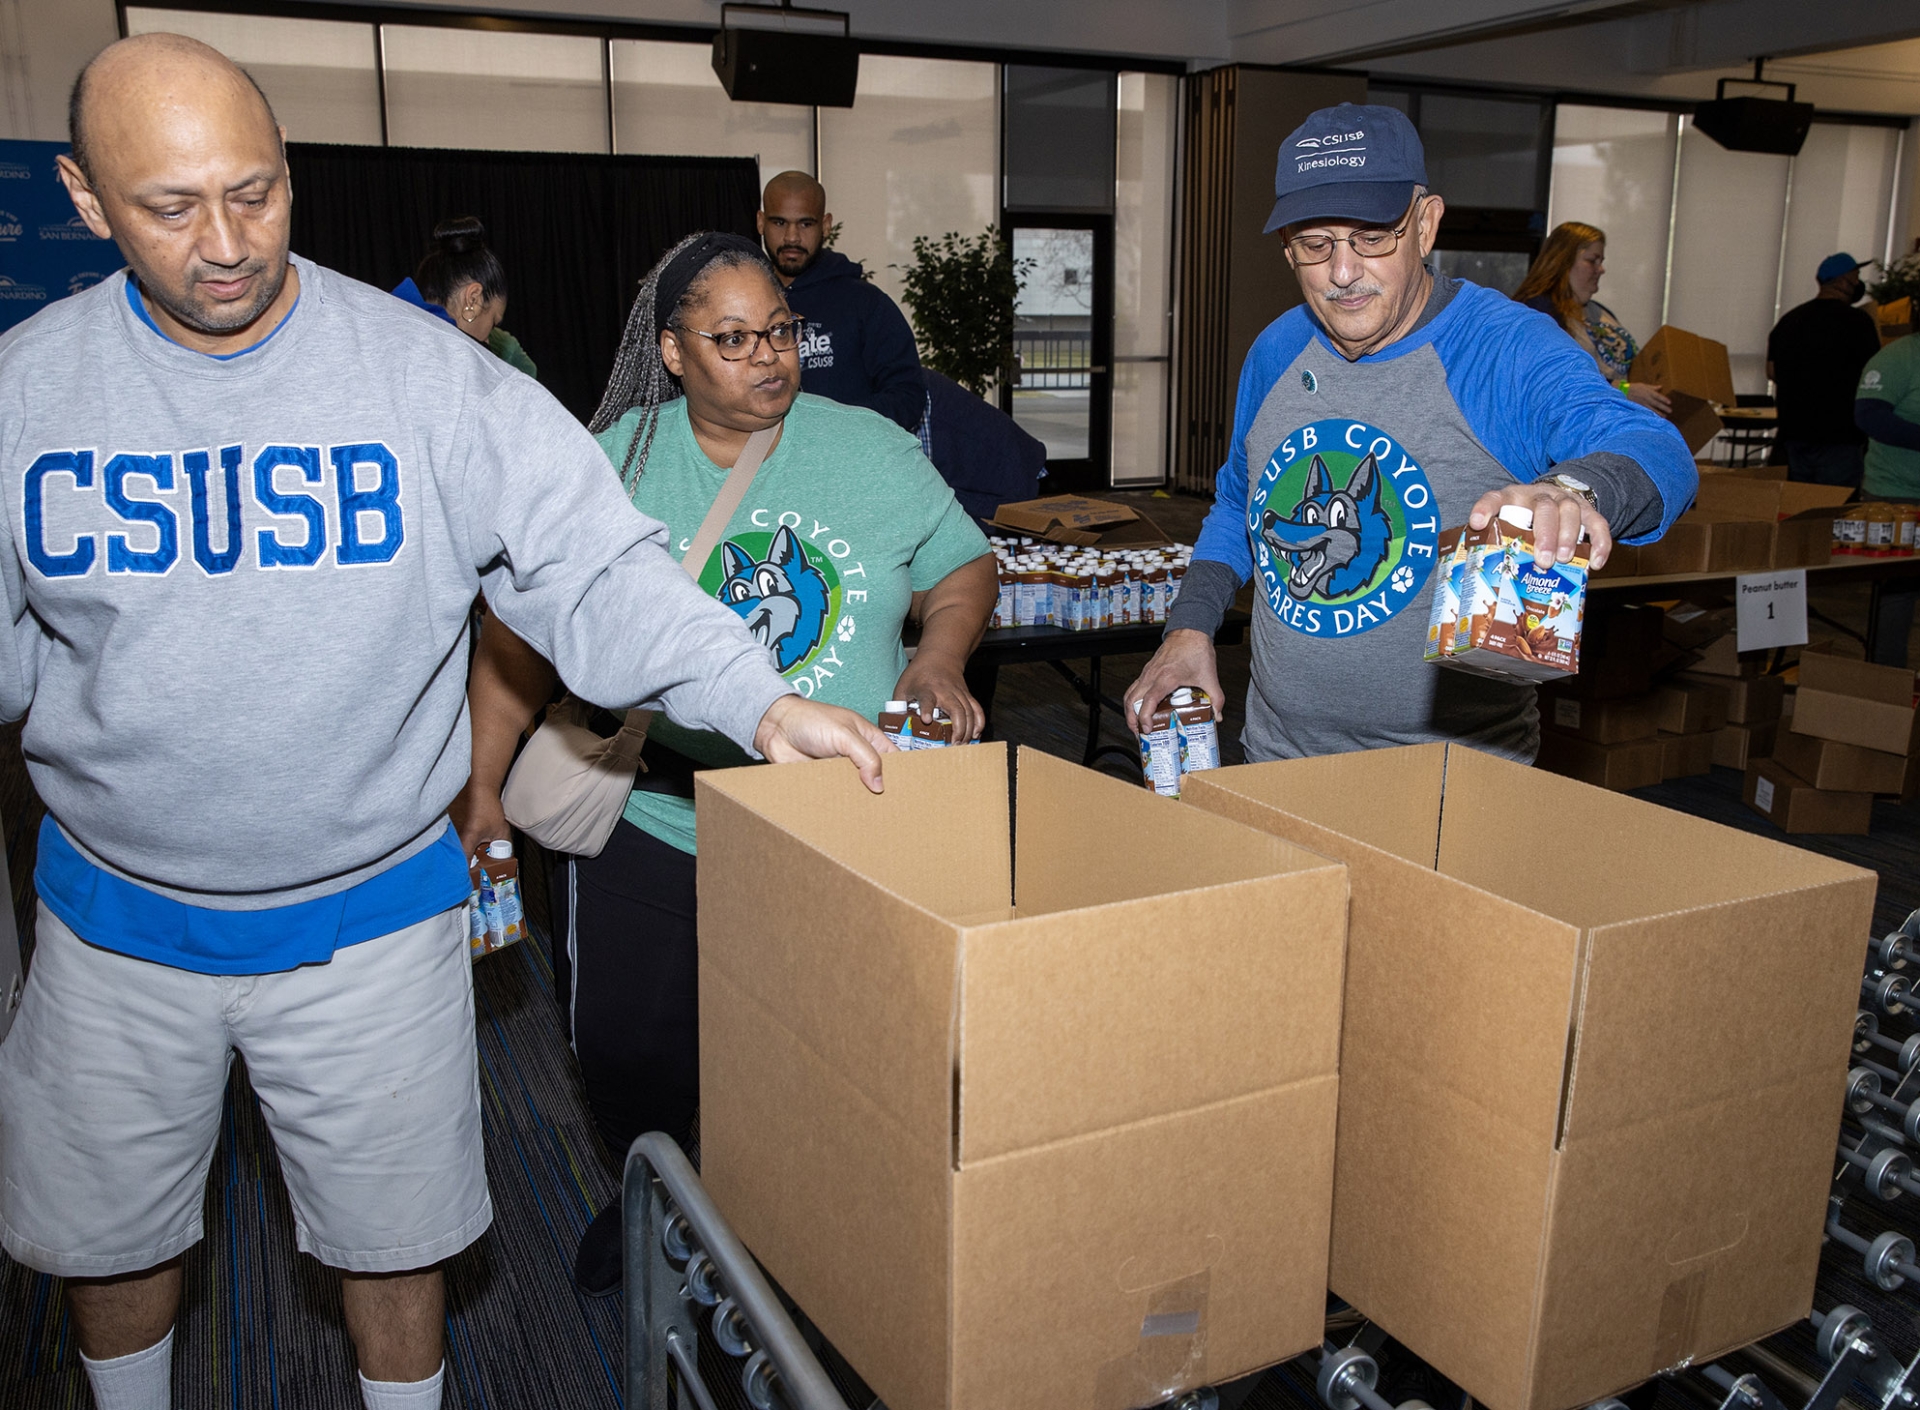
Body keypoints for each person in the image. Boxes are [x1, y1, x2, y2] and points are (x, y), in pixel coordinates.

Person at [0, 35, 888, 1410]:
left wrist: (755, 699)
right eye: (172, 207)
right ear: (83, 197)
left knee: (396, 1236)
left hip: (371, 914)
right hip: (116, 918)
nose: (228, 242)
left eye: (261, 191)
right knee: (108, 1232)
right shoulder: (24, 392)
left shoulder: (426, 376)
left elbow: (595, 567)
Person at [456, 231, 996, 1296]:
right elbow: (511, 644)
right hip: (656, 823)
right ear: (671, 351)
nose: (769, 359)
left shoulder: (871, 449)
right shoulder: (608, 468)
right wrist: (482, 789)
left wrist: (938, 655)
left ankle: (788, 1223)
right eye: (733, 339)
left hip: (838, 828)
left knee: (823, 1054)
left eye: (781, 333)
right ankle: (647, 1189)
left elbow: (963, 558)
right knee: (626, 1055)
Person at [1124, 102, 1695, 764]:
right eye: (1315, 244)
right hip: (1278, 757)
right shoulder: (1278, 349)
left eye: (1372, 237)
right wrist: (1190, 626)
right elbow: (1238, 501)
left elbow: (1661, 453)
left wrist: (1573, 489)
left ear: (1425, 225)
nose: (1343, 272)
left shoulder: (1503, 349)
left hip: (1451, 781)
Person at [757, 170, 925, 433]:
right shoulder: (743, 303)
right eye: (779, 223)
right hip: (763, 465)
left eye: (805, 224)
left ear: (825, 225)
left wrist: (835, 428)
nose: (791, 237)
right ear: (760, 222)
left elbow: (908, 397)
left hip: (849, 465)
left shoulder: (867, 304)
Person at [1514, 221, 1670, 415]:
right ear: (1564, 261)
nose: (1601, 269)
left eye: (1601, 261)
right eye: (1592, 260)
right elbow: (1552, 375)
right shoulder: (1537, 310)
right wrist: (1623, 390)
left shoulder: (1601, 312)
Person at [1768, 252, 1883, 487]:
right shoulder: (1859, 323)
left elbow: (1771, 372)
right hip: (1840, 437)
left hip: (1794, 435)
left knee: (1796, 512)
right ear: (1842, 281)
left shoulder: (1790, 321)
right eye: (1856, 276)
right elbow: (1874, 374)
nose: (1858, 283)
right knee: (1832, 514)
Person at [391, 214, 538, 377]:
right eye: (492, 324)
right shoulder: (448, 365)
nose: (488, 341)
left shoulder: (385, 325)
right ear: (472, 299)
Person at [1856, 305, 1920, 665]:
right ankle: (1884, 687)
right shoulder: (1900, 356)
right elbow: (1869, 415)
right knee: (1896, 601)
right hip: (1897, 498)